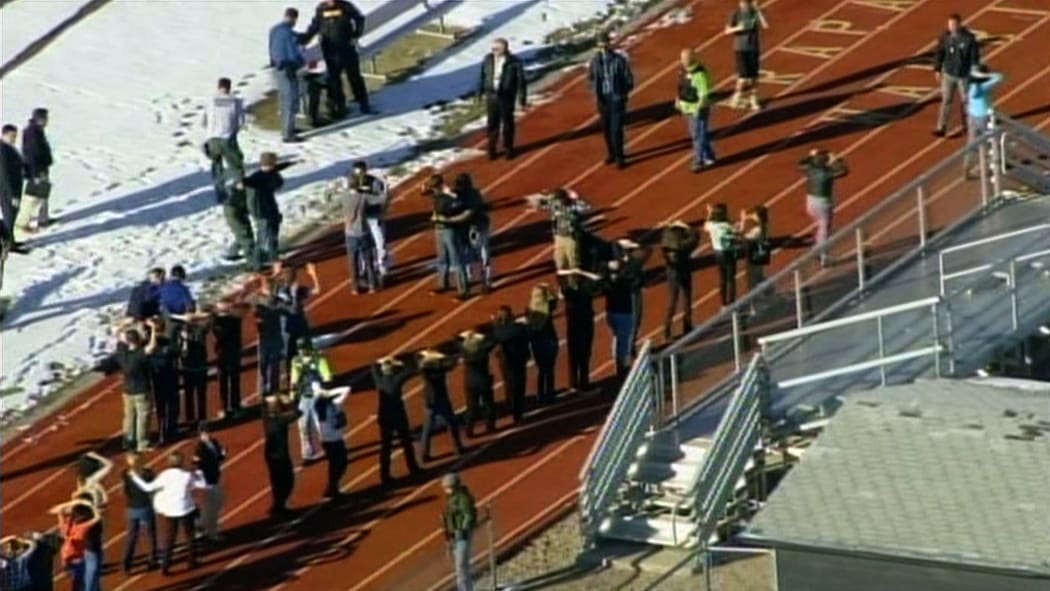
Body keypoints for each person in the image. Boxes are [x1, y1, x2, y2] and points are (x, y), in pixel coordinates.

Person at [129, 451, 207, 574]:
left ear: (169, 462)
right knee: (190, 536)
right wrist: (199, 470)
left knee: (169, 539)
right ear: (181, 462)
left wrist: (134, 477)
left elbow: (148, 488)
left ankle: (165, 566)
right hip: (185, 509)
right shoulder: (186, 475)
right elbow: (202, 484)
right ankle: (192, 561)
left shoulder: (164, 475)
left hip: (170, 511)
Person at [301, 0, 373, 118]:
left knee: (354, 76)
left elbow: (359, 19)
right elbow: (315, 26)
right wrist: (304, 39)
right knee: (334, 79)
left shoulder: (345, 6)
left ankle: (363, 103)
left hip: (346, 47)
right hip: (330, 51)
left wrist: (356, 35)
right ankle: (339, 107)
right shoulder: (321, 9)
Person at [94, 323, 158, 451]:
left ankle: (128, 440)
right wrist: (153, 329)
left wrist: (122, 327)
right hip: (141, 390)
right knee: (142, 417)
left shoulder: (121, 353)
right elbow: (152, 347)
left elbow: (119, 336)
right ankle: (142, 442)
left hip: (127, 390)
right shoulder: (140, 354)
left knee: (129, 417)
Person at [372, 356, 421, 485]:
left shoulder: (380, 381)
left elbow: (373, 366)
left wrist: (381, 361)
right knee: (406, 443)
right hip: (398, 416)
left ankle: (385, 475)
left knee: (386, 447)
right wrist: (398, 362)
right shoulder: (396, 379)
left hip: (384, 417)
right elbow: (411, 370)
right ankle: (413, 468)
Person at [588, 33, 634, 168]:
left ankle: (620, 156)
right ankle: (611, 153)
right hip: (603, 99)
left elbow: (628, 79)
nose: (603, 47)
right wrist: (594, 89)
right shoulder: (595, 62)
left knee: (616, 129)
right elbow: (590, 78)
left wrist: (622, 93)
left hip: (616, 98)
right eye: (600, 45)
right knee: (606, 129)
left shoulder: (619, 60)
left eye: (605, 44)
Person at [477, 37, 528, 160]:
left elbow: (521, 82)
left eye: (496, 49)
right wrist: (479, 92)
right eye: (492, 49)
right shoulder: (488, 59)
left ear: (504, 49)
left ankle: (508, 148)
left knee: (507, 124)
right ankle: (491, 149)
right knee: (492, 124)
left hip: (506, 96)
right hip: (491, 95)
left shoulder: (514, 62)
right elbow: (482, 76)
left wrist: (521, 99)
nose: (493, 51)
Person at [933, 13, 980, 137]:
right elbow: (939, 52)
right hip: (948, 74)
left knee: (966, 101)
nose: (951, 27)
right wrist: (937, 69)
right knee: (946, 100)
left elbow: (974, 57)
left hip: (963, 75)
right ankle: (941, 127)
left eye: (953, 24)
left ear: (959, 24)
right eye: (949, 24)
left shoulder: (969, 38)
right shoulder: (945, 37)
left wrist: (974, 69)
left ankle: (968, 125)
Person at [798, 148, 848, 265]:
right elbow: (844, 171)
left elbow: (800, 164)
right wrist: (835, 161)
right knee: (824, 229)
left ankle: (817, 249)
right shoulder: (827, 173)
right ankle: (822, 255)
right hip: (823, 204)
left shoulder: (810, 169)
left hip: (810, 202)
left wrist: (810, 156)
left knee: (821, 228)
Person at [425, 174, 472, 299]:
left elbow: (459, 205)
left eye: (434, 187)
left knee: (456, 259)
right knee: (442, 258)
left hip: (449, 230)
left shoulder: (449, 195)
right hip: (439, 229)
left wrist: (447, 218)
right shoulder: (437, 194)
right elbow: (423, 191)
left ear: (439, 185)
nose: (433, 189)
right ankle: (443, 284)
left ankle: (463, 289)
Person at [333, 167, 378, 294]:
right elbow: (379, 199)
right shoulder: (363, 197)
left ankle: (354, 287)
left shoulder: (344, 196)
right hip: (363, 231)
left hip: (350, 233)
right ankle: (372, 285)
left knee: (352, 261)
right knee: (368, 260)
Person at [203, 77, 246, 201]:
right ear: (229, 87)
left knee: (217, 166)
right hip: (227, 138)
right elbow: (241, 121)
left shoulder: (210, 101)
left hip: (212, 139)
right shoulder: (235, 101)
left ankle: (220, 194)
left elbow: (204, 121)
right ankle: (239, 189)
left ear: (218, 87)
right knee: (236, 165)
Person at [418, 349, 466, 462]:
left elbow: (448, 363)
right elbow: (449, 364)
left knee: (428, 428)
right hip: (439, 400)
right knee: (450, 423)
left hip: (431, 401)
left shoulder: (428, 369)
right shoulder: (434, 370)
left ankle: (424, 454)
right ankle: (458, 447)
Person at [527, 188, 592, 272]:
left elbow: (587, 207)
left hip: (571, 237)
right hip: (559, 237)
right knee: (559, 262)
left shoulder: (573, 207)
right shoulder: (556, 206)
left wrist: (576, 199)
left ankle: (575, 281)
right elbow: (539, 202)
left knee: (573, 262)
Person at [290, 337, 332, 463]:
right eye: (300, 349)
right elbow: (294, 380)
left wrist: (321, 383)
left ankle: (330, 448)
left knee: (321, 426)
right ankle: (307, 454)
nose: (302, 351)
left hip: (317, 396)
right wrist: (292, 396)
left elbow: (327, 377)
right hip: (304, 396)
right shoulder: (296, 361)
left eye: (304, 349)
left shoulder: (319, 358)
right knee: (303, 426)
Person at [675, 48, 716, 172]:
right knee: (699, 133)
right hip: (687, 108)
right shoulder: (683, 71)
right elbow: (681, 87)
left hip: (697, 109)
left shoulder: (699, 74)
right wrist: (678, 100)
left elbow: (704, 95)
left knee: (697, 135)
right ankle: (709, 156)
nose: (682, 61)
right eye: (682, 58)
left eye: (685, 58)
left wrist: (699, 109)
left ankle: (699, 161)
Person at [558, 269, 598, 393]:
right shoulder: (586, 293)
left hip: (573, 330)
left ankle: (573, 384)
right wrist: (585, 272)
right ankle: (584, 385)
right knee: (584, 358)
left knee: (573, 358)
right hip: (585, 329)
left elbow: (560, 280)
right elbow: (596, 280)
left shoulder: (569, 294)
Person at [269, 7, 306, 143]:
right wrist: (302, 62)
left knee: (284, 100)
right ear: (294, 18)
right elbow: (293, 52)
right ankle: (288, 134)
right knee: (290, 100)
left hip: (277, 68)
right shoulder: (288, 34)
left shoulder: (274, 30)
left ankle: (288, 127)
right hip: (287, 68)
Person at [352, 160, 391, 285]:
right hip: (361, 219)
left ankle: (383, 269)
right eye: (356, 173)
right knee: (364, 246)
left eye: (361, 172)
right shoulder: (352, 184)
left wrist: (380, 211)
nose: (359, 175)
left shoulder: (374, 182)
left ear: (365, 170)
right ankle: (365, 270)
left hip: (374, 217)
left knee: (380, 244)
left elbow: (382, 199)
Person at [15, 108, 53, 234]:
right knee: (35, 196)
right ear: (40, 119)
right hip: (37, 170)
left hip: (38, 169)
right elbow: (32, 154)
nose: (47, 121)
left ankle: (42, 218)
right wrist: (36, 172)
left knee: (41, 194)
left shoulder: (35, 130)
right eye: (45, 118)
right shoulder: (33, 133)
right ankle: (27, 222)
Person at [725, 0, 768, 111]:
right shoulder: (735, 14)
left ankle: (753, 99)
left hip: (753, 47)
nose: (743, 4)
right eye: (742, 2)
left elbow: (765, 25)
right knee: (743, 77)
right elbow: (727, 31)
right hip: (740, 48)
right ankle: (736, 97)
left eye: (745, 3)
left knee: (754, 76)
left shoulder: (754, 12)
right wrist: (738, 28)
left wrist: (759, 10)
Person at [244, 152, 285, 269]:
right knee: (266, 238)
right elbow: (248, 182)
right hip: (263, 213)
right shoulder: (257, 179)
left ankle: (265, 260)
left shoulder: (266, 175)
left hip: (269, 210)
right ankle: (262, 263)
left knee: (269, 236)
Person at [262, 394, 300, 518]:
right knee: (286, 481)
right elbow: (298, 413)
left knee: (278, 482)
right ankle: (278, 508)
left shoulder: (267, 417)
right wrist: (290, 402)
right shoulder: (280, 419)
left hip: (272, 455)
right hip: (280, 455)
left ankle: (279, 506)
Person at [49, 498, 100, 590]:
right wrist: (90, 506)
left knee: (76, 584)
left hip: (66, 559)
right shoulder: (81, 528)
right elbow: (97, 518)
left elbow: (59, 511)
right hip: (78, 560)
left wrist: (73, 503)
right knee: (82, 583)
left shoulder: (64, 529)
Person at [963, 65, 1004, 178]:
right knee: (989, 143)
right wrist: (985, 75)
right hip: (984, 117)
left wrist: (977, 75)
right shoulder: (983, 87)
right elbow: (1000, 77)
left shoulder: (971, 86)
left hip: (972, 116)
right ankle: (984, 169)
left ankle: (967, 167)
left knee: (971, 143)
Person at [121, 452, 158, 573]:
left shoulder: (125, 474)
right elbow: (153, 486)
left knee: (132, 536)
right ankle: (152, 560)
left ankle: (127, 563)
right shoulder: (147, 473)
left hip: (131, 508)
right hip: (145, 506)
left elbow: (125, 489)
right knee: (151, 534)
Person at [455, 173, 493, 292]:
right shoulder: (474, 193)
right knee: (483, 254)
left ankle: (469, 279)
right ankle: (485, 280)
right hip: (479, 227)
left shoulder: (462, 196)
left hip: (473, 228)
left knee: (469, 255)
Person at [661, 220, 699, 338]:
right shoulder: (683, 245)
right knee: (686, 299)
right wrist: (687, 226)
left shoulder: (666, 241)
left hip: (671, 272)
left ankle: (666, 329)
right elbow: (695, 237)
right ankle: (687, 327)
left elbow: (667, 231)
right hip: (684, 270)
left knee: (672, 301)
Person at [491, 306, 529, 424]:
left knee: (508, 384)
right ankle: (517, 414)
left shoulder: (497, 329)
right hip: (517, 361)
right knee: (518, 387)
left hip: (505, 362)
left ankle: (510, 406)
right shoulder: (517, 329)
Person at [601, 259, 637, 377]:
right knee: (624, 343)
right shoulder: (625, 281)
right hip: (624, 314)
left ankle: (618, 364)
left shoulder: (606, 282)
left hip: (611, 313)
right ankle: (623, 369)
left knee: (616, 338)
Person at [442, 472, 478, 591]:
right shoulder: (454, 498)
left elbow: (468, 515)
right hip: (456, 535)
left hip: (462, 535)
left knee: (461, 566)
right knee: (460, 566)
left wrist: (462, 529)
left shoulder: (462, 499)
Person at [148, 317, 182, 442]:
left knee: (161, 407)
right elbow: (180, 353)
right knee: (172, 406)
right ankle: (172, 430)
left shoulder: (149, 346)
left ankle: (162, 431)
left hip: (157, 380)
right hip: (170, 378)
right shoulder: (169, 344)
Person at [314, 386, 350, 499]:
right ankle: (332, 489)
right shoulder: (321, 410)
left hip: (338, 439)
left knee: (342, 463)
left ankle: (333, 487)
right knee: (336, 465)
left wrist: (329, 392)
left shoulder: (335, 403)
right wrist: (324, 394)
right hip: (329, 441)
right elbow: (317, 401)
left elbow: (347, 389)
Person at [459, 329, 497, 437]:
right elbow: (492, 342)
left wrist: (467, 337)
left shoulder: (465, 353)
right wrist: (479, 337)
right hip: (483, 381)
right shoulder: (483, 351)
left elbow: (457, 342)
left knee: (471, 407)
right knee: (488, 404)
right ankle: (490, 425)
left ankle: (469, 429)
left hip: (470, 383)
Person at [526, 283, 559, 403]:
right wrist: (549, 289)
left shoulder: (530, 309)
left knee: (541, 369)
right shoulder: (547, 307)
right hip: (549, 340)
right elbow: (555, 300)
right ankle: (550, 394)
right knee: (549, 369)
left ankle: (540, 394)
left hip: (536, 342)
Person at [193, 422, 227, 542]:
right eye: (204, 433)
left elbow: (219, 457)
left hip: (215, 477)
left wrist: (223, 454)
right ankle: (210, 532)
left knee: (216, 506)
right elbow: (197, 464)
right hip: (207, 482)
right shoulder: (200, 448)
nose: (206, 435)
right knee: (211, 507)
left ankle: (201, 527)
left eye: (207, 432)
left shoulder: (214, 442)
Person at [211, 300, 244, 416]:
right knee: (231, 381)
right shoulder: (234, 319)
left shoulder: (218, 321)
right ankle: (233, 406)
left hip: (225, 354)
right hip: (231, 354)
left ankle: (227, 407)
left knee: (226, 382)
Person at [255, 280, 286, 397]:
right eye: (269, 289)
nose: (271, 292)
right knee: (264, 364)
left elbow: (288, 309)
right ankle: (264, 389)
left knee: (274, 364)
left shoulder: (276, 302)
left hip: (275, 337)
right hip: (265, 338)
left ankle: (273, 388)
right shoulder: (260, 303)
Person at [705, 203, 739, 307]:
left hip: (717, 253)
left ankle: (723, 302)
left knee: (722, 278)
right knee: (731, 278)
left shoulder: (711, 226)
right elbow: (735, 230)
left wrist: (709, 213)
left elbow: (706, 224)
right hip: (728, 252)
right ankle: (732, 301)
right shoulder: (726, 226)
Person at [738, 206, 770, 313]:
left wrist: (743, 221)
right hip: (760, 257)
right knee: (759, 277)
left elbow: (743, 237)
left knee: (751, 283)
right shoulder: (763, 226)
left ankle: (754, 306)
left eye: (755, 215)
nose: (753, 216)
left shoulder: (757, 230)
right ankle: (769, 290)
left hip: (753, 258)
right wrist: (747, 217)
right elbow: (753, 217)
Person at [0, 124, 26, 251]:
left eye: (15, 136)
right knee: (9, 218)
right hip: (8, 191)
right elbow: (4, 175)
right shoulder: (2, 150)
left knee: (12, 216)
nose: (14, 139)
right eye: (11, 136)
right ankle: (9, 245)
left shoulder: (9, 148)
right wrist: (12, 195)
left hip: (14, 189)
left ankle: (11, 241)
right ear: (4, 135)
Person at [179, 319, 209, 424]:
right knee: (189, 396)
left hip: (200, 368)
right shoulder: (181, 339)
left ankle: (202, 418)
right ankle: (190, 418)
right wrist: (185, 341)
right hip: (188, 370)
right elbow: (183, 353)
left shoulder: (200, 332)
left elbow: (207, 324)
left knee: (201, 395)